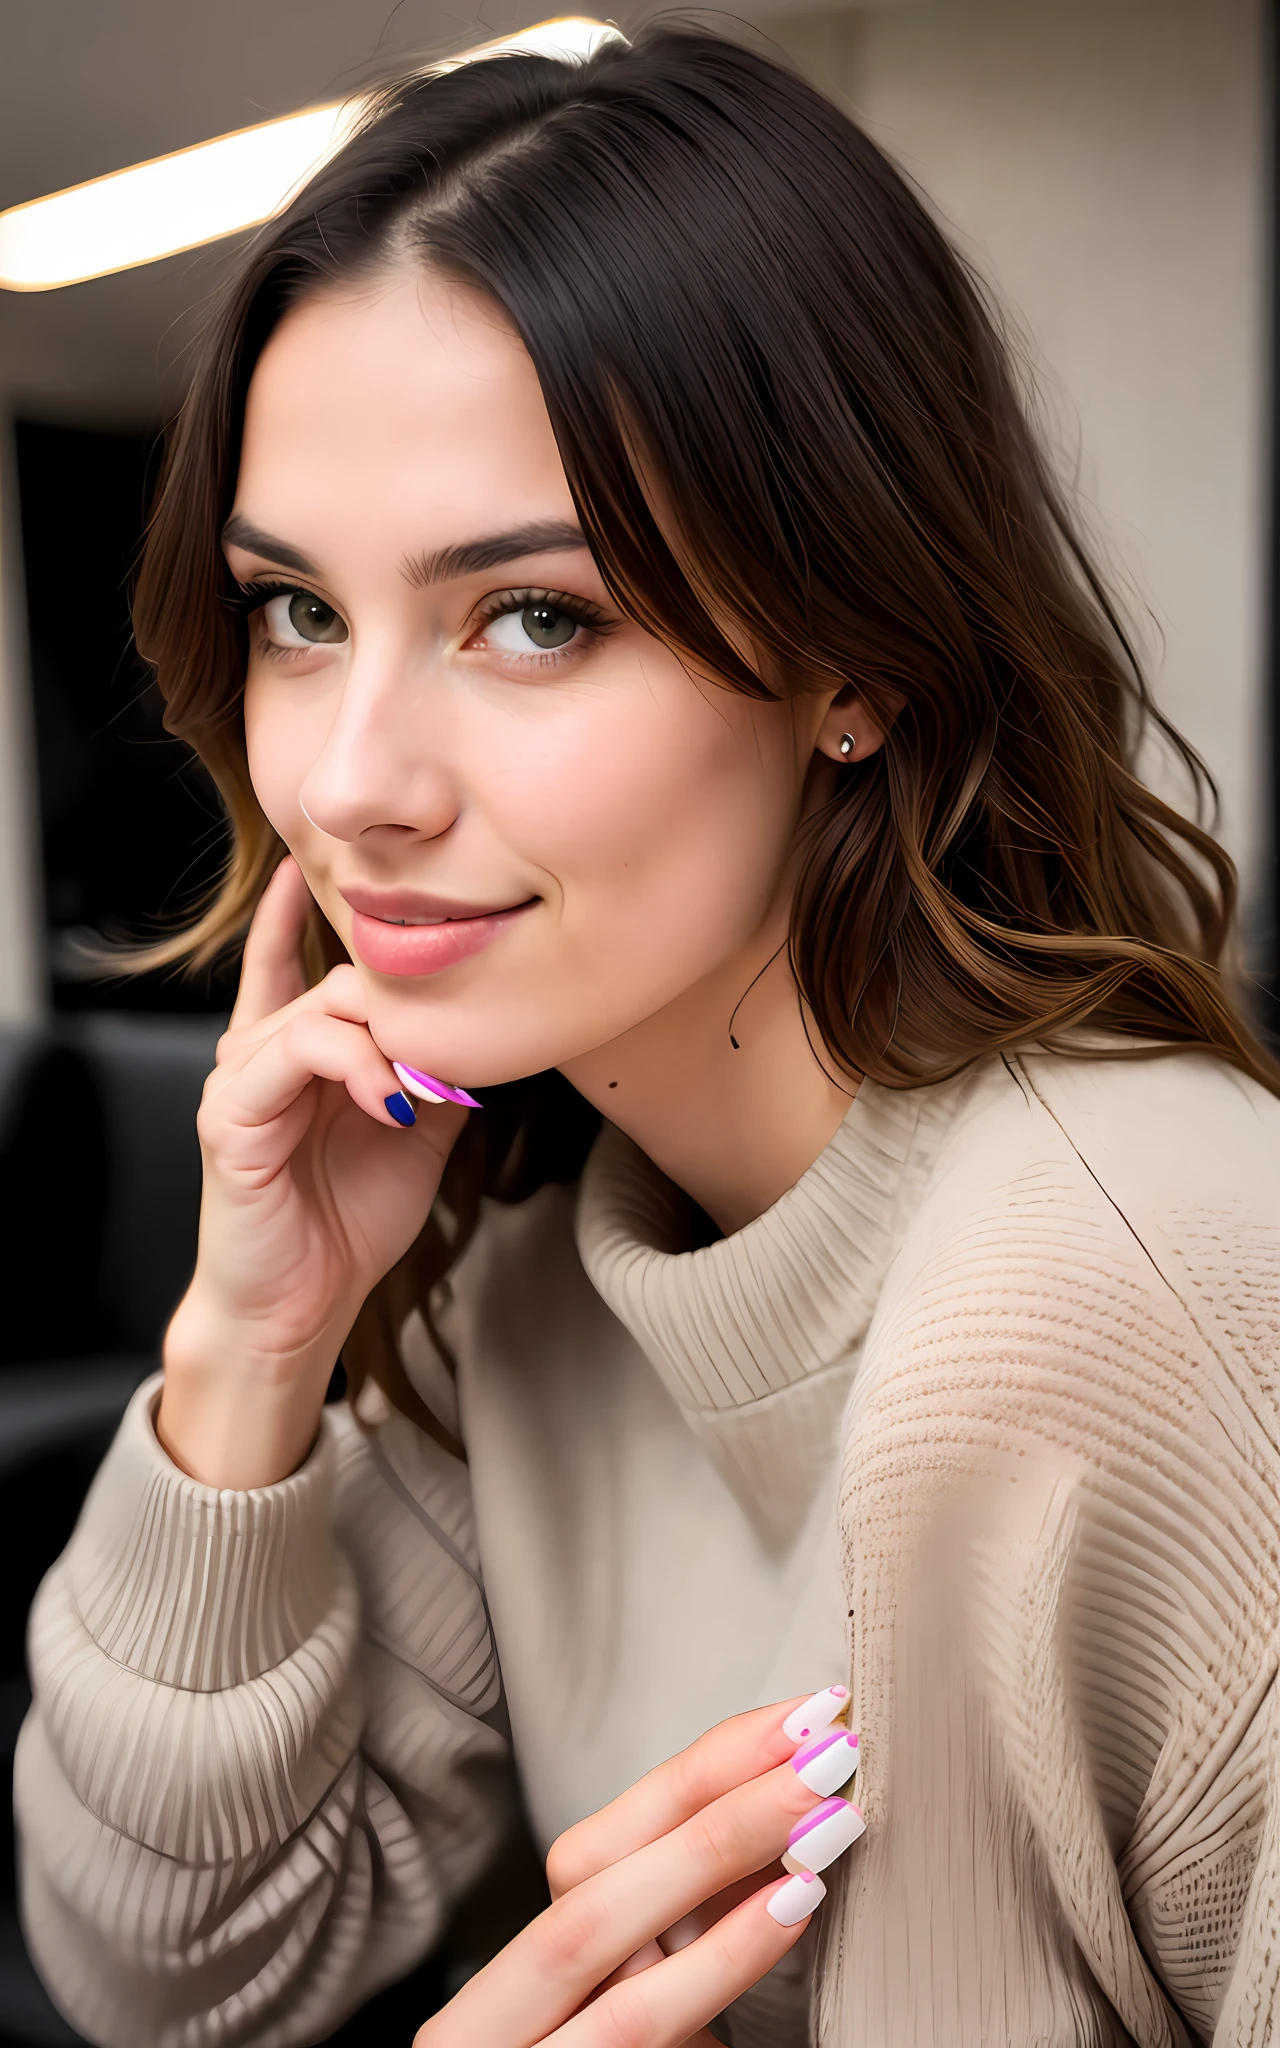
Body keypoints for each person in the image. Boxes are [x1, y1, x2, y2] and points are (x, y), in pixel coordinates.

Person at [15, 21, 1280, 2048]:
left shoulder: (1144, 1292)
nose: (350, 783)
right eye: (297, 611)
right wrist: (246, 1346)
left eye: (533, 615)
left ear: (853, 655)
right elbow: (174, 1976)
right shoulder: (531, 1261)